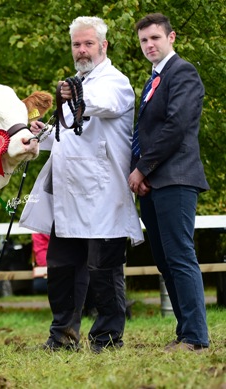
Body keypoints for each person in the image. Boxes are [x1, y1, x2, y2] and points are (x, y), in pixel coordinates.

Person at [20, 16, 144, 353]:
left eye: (88, 43)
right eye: (77, 44)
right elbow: (68, 135)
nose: (82, 50)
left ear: (103, 46)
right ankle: (62, 335)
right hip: (69, 194)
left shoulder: (115, 82)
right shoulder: (75, 83)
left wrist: (74, 96)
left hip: (103, 193)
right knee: (61, 270)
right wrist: (41, 134)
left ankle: (106, 337)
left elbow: (97, 105)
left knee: (103, 272)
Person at [128, 13, 210, 353]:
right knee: (164, 259)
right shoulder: (153, 80)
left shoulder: (183, 73)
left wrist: (142, 169)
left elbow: (175, 127)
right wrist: (141, 173)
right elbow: (144, 133)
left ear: (171, 38)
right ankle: (185, 331)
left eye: (155, 38)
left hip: (175, 178)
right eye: (144, 40)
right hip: (154, 182)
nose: (149, 45)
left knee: (179, 256)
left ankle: (195, 338)